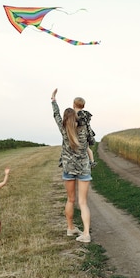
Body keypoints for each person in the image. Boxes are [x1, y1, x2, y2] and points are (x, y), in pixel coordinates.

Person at [52, 88, 92, 243]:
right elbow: (92, 139)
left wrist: (53, 100)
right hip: (83, 168)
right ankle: (86, 233)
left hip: (68, 168)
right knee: (83, 202)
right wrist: (78, 108)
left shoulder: (63, 129)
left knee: (70, 200)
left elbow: (56, 115)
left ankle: (70, 228)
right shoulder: (84, 128)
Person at [73, 96, 97, 168]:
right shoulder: (86, 114)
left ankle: (78, 163)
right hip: (87, 133)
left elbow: (75, 124)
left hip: (78, 134)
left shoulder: (74, 114)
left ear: (74, 104)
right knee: (87, 148)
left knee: (78, 149)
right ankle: (92, 161)